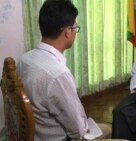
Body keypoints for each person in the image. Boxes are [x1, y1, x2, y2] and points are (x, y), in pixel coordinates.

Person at [17, 0, 121, 141]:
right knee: (110, 130)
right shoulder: (58, 75)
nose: (75, 32)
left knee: (106, 128)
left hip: (37, 132)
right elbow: (78, 131)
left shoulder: (25, 59)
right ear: (68, 32)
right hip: (59, 137)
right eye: (75, 27)